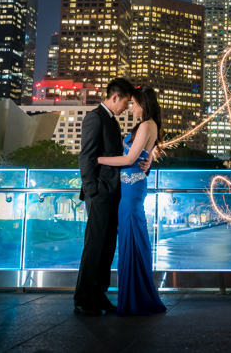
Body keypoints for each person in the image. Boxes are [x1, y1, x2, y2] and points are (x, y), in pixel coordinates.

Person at [73, 77, 145, 316]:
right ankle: (83, 299)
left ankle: (99, 293)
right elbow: (87, 156)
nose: (126, 106)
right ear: (115, 97)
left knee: (107, 246)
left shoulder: (112, 121)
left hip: (114, 192)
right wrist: (92, 190)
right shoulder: (95, 117)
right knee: (94, 245)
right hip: (100, 193)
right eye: (125, 102)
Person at [97, 85, 167, 316]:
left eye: (135, 104)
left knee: (132, 237)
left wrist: (97, 159)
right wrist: (145, 163)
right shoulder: (146, 125)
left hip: (131, 188)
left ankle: (137, 298)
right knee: (131, 237)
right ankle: (135, 294)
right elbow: (141, 158)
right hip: (130, 186)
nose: (131, 107)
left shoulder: (147, 125)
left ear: (144, 104)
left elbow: (129, 158)